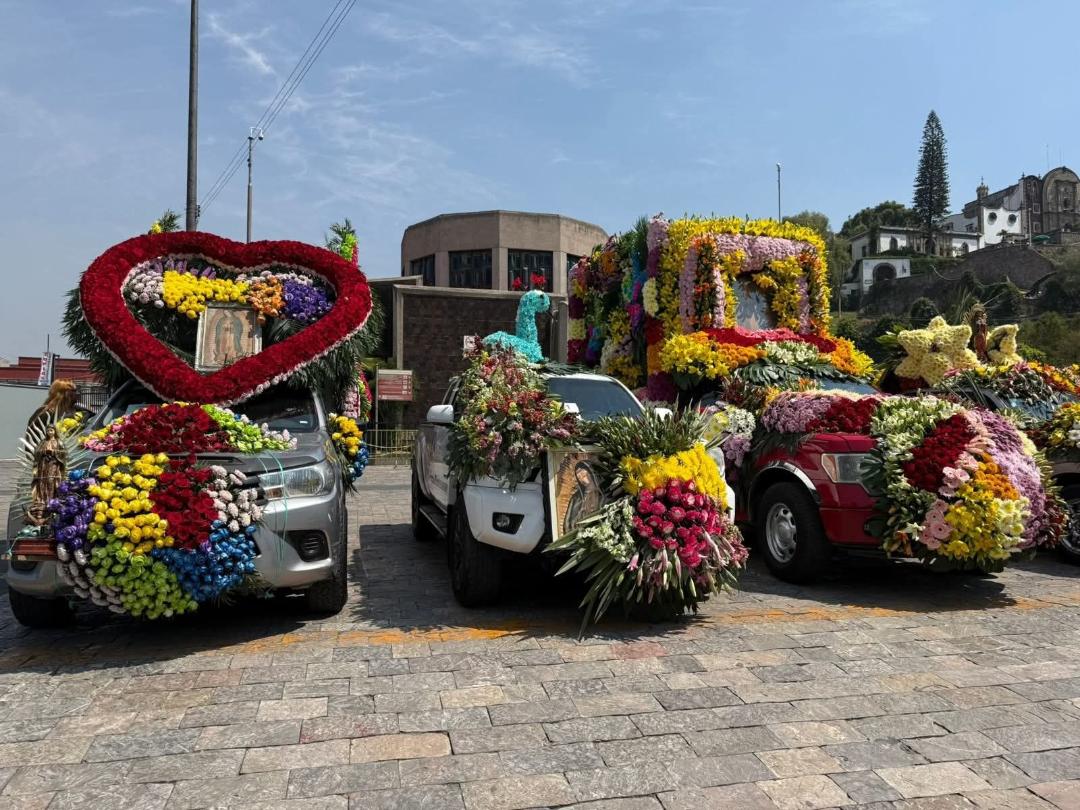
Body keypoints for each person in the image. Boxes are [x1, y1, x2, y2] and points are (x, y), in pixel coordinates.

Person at [563, 460, 604, 535]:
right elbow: (567, 523)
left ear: (590, 472)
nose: (582, 479)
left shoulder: (603, 490)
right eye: (579, 478)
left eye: (583, 475)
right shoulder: (576, 498)